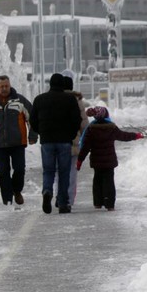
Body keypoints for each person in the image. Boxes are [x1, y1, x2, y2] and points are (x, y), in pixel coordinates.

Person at [0, 75, 38, 206]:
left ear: (10, 85)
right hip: (0, 145)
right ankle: (7, 200)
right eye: (2, 86)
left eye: (7, 86)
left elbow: (32, 117)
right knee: (3, 172)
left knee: (19, 169)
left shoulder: (20, 101)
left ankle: (17, 191)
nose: (5, 88)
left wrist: (33, 135)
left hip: (18, 143)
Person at [29, 73, 81, 214]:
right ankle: (63, 203)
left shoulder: (39, 99)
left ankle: (47, 190)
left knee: (48, 170)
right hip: (64, 141)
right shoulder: (70, 99)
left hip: (47, 141)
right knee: (64, 172)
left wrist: (41, 132)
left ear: (50, 84)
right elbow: (77, 120)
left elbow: (32, 121)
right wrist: (70, 135)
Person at [77, 106, 144, 211]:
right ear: (106, 115)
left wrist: (80, 160)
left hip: (96, 161)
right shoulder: (111, 128)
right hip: (109, 161)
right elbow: (124, 136)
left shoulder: (91, 129)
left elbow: (85, 146)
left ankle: (98, 203)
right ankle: (110, 204)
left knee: (97, 180)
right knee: (109, 181)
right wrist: (136, 135)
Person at [63, 75, 88, 206]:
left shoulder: (57, 99)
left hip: (58, 140)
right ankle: (70, 199)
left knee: (59, 171)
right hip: (74, 140)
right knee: (72, 172)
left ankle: (60, 196)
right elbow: (84, 123)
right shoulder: (78, 101)